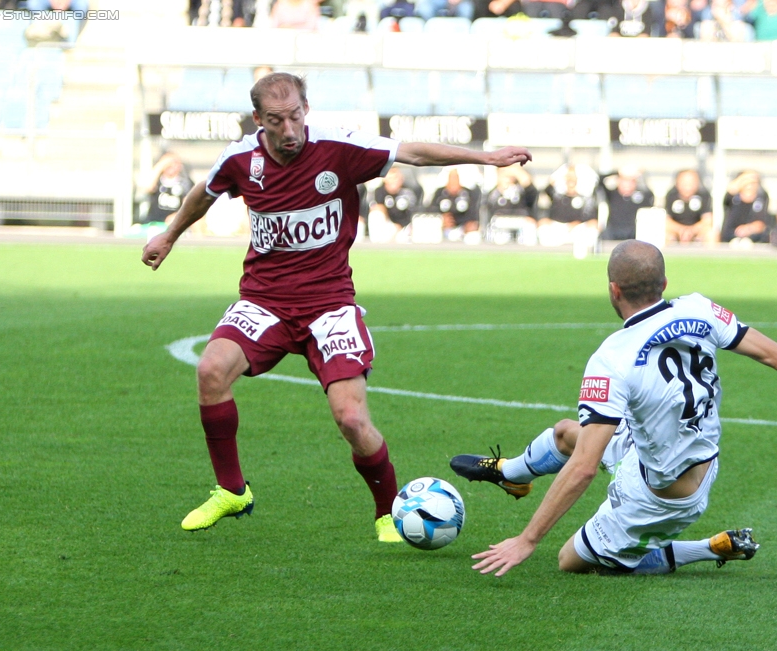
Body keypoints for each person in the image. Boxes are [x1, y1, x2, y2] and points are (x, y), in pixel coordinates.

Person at [141, 72, 531, 542]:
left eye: (295, 117)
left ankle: (388, 513)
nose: (289, 131)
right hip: (264, 299)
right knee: (210, 371)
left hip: (329, 304)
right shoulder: (240, 158)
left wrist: (485, 158)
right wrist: (169, 234)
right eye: (276, 121)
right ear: (257, 119)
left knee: (351, 418)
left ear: (307, 109)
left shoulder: (340, 147)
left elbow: (412, 152)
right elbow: (202, 194)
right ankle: (232, 490)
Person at [451, 240, 777, 576]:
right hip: (683, 454)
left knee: (569, 560)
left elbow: (585, 467)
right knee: (566, 433)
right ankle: (512, 474)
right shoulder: (699, 308)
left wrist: (527, 539)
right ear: (664, 283)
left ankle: (709, 547)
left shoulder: (611, 359)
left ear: (613, 290)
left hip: (662, 496)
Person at [485, 164, 540, 245]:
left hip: (522, 222)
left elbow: (530, 189)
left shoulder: (521, 190)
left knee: (529, 230)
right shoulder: (494, 193)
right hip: (501, 224)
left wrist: (515, 171)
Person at [599, 165, 655, 241]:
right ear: (618, 181)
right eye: (624, 181)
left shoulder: (641, 197)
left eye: (631, 181)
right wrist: (618, 172)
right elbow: (600, 180)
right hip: (614, 231)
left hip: (633, 232)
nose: (627, 185)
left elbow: (650, 195)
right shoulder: (612, 194)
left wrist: (641, 174)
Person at [369, 167, 424, 243]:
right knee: (375, 215)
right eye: (391, 178)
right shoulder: (379, 191)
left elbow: (413, 211)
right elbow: (376, 208)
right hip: (389, 225)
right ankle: (376, 244)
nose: (394, 181)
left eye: (396, 178)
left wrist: (401, 226)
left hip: (405, 226)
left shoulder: (407, 192)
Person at [138, 152, 195, 224]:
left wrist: (178, 216)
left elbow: (189, 205)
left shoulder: (186, 183)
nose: (171, 166)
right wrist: (161, 165)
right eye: (168, 164)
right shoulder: (157, 180)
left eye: (175, 163)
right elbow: (146, 188)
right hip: (153, 222)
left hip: (175, 224)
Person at [429, 167, 482, 242]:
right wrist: (441, 221)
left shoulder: (469, 194)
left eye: (456, 178)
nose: (453, 181)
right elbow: (431, 212)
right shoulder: (439, 193)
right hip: (443, 231)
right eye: (451, 178)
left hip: (464, 232)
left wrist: (468, 225)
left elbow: (474, 215)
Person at [720, 170, 771, 244]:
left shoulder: (761, 198)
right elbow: (730, 190)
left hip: (754, 237)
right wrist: (745, 177)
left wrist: (748, 229)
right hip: (731, 236)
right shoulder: (733, 198)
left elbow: (761, 223)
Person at [665, 169, 713, 244]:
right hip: (677, 231)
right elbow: (667, 220)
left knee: (711, 233)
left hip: (697, 231)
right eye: (684, 182)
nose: (687, 186)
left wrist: (691, 231)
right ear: (677, 182)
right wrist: (681, 230)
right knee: (664, 234)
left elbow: (707, 220)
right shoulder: (671, 195)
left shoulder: (704, 195)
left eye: (691, 182)